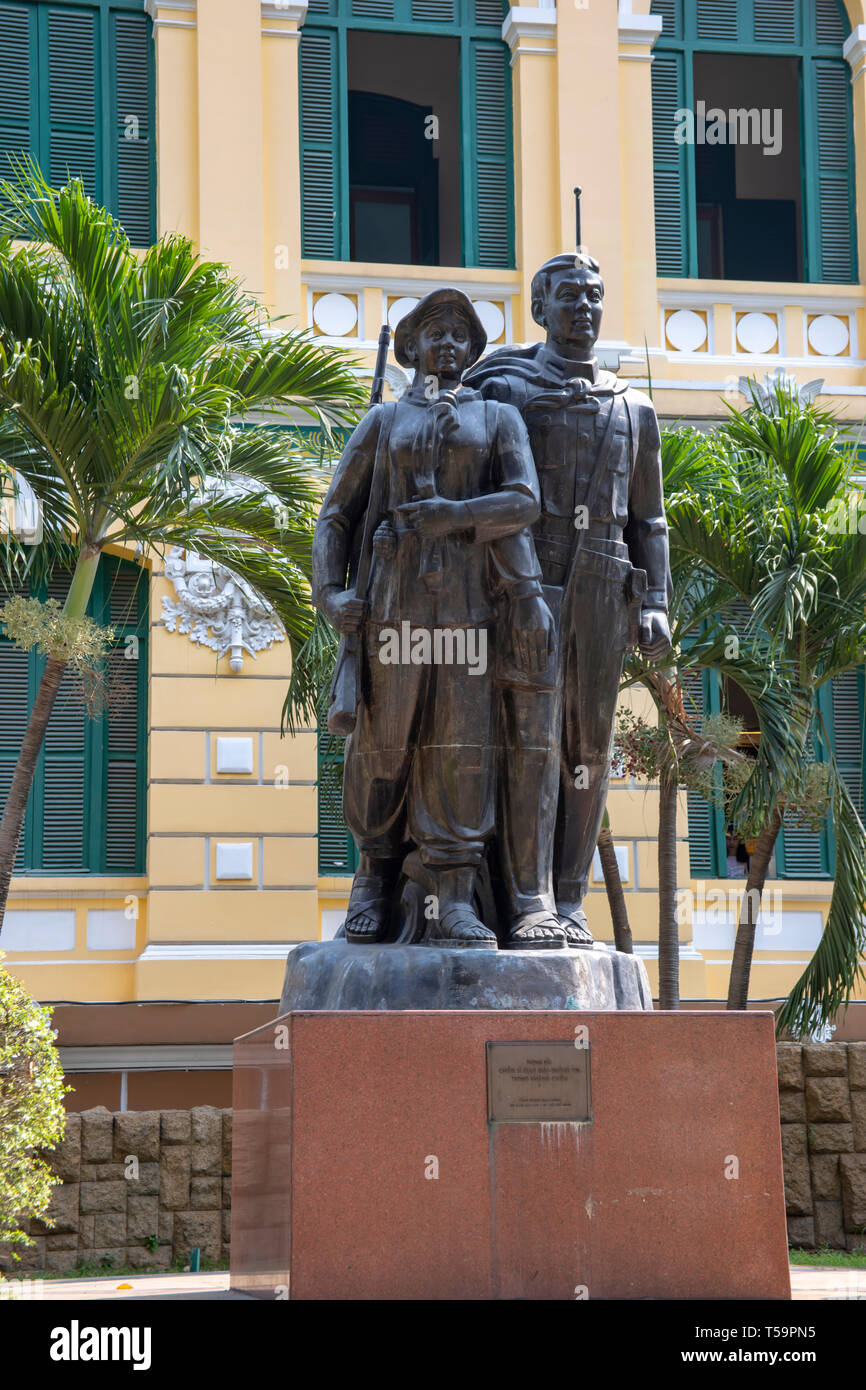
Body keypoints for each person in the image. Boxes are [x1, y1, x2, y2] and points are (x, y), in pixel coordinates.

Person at [312, 289, 562, 948]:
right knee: (381, 747)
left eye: (460, 335)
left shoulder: (499, 417)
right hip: (391, 604)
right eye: (435, 333)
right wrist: (330, 596)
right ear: (412, 347)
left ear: (472, 350)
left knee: (461, 750)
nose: (447, 344)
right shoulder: (384, 421)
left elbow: (525, 500)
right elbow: (336, 514)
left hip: (467, 607)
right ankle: (371, 879)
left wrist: (457, 515)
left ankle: (454, 898)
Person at [465, 252, 672, 946]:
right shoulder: (506, 389)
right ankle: (527, 901)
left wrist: (657, 602)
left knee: (589, 747)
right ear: (540, 311)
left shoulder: (634, 408)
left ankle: (571, 896)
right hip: (528, 579)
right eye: (568, 298)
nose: (583, 308)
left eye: (593, 296)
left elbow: (650, 519)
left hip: (605, 587)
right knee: (530, 743)